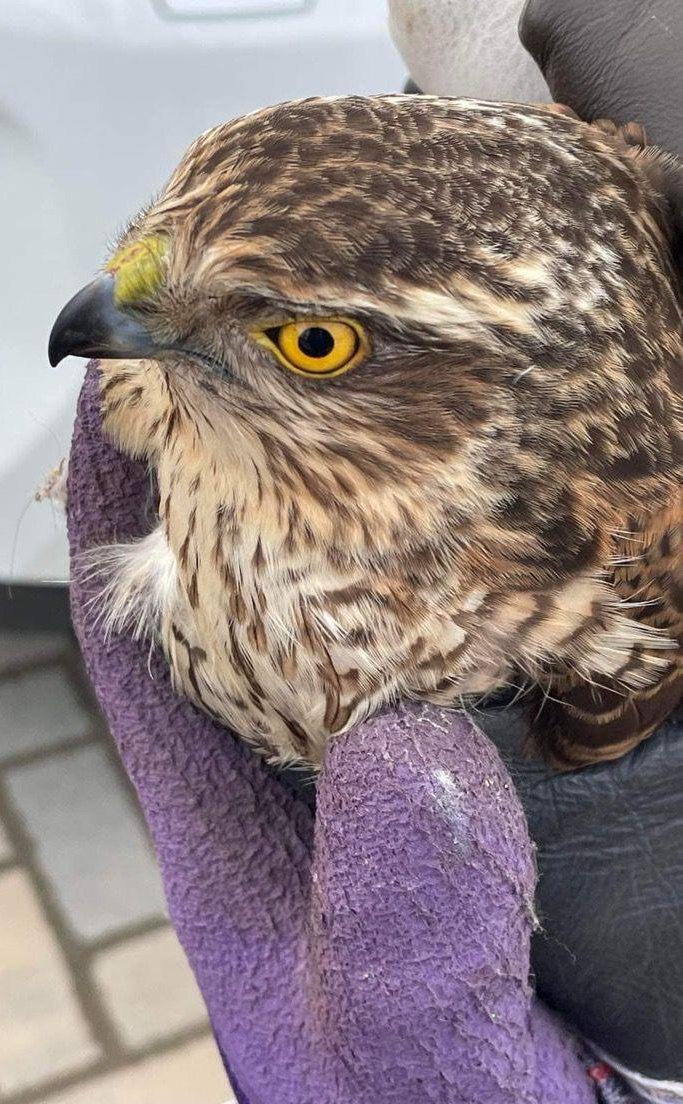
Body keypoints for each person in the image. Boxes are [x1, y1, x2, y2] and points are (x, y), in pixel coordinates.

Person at [65, 3, 683, 1100]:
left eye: (312, 343)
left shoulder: (603, 541)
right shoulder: (200, 415)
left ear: (461, 409)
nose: (114, 310)